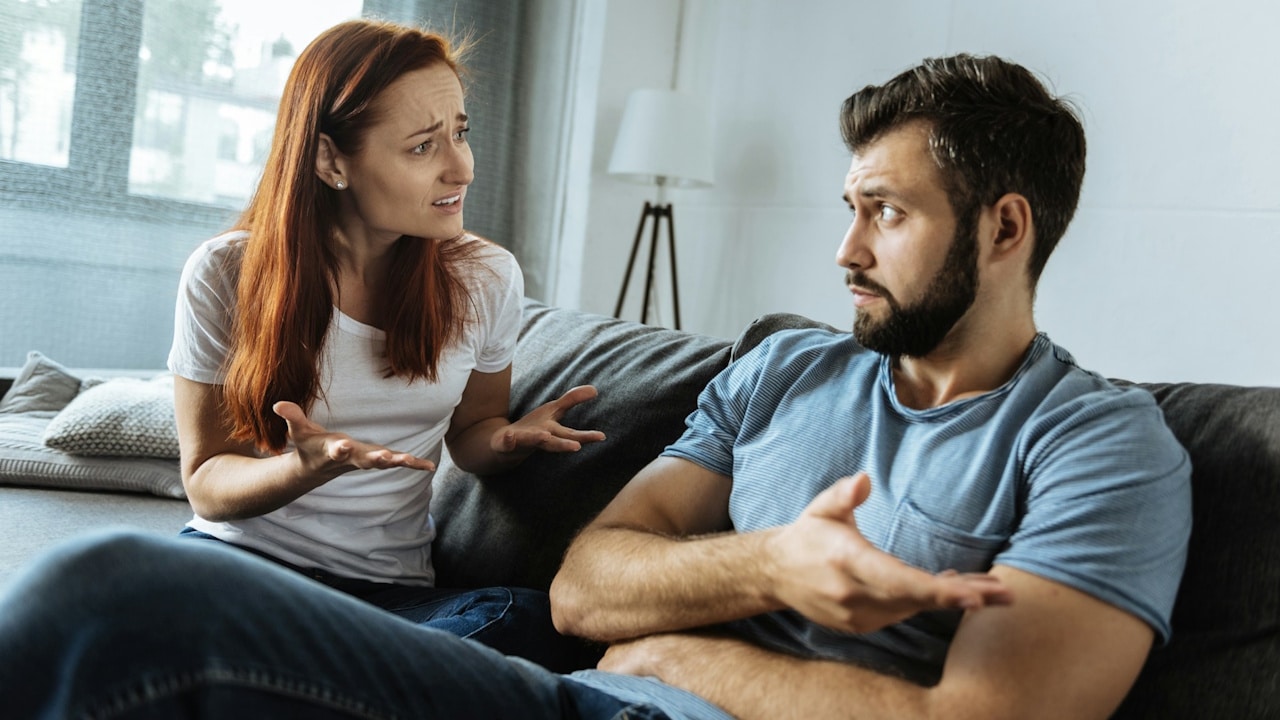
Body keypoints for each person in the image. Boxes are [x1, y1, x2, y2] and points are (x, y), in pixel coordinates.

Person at [0, 53, 1191, 719]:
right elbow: (583, 590)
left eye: (882, 215)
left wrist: (678, 653)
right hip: (568, 695)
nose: (843, 253)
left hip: (620, 703)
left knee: (113, 592)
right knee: (110, 605)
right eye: (846, 211)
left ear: (1003, 228)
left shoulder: (1098, 444)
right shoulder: (785, 368)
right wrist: (770, 566)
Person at [166, 19, 602, 667]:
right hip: (240, 566)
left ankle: (302, 674)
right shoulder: (226, 272)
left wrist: (505, 441)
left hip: (387, 597)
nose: (462, 167)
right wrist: (305, 467)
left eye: (461, 132)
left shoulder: (484, 277)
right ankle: (345, 678)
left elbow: (472, 432)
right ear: (329, 160)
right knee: (113, 583)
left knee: (528, 620)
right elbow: (206, 481)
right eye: (423, 147)